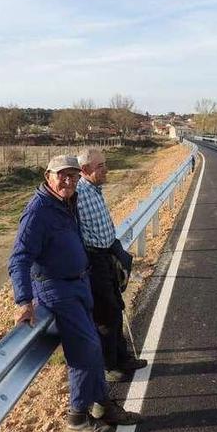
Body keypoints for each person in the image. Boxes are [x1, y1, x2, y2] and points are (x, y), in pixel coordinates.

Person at [8, 155, 141, 432]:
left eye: (73, 176)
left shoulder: (68, 203)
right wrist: (24, 300)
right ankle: (77, 416)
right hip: (56, 289)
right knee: (86, 350)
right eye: (62, 176)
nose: (68, 181)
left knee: (93, 346)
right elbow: (19, 258)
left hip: (80, 283)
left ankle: (103, 404)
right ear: (48, 176)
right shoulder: (38, 211)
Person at [76, 148, 147, 382]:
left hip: (107, 257)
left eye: (104, 164)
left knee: (117, 308)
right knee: (105, 316)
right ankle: (108, 366)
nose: (106, 169)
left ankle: (122, 357)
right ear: (85, 170)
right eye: (101, 166)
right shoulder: (78, 193)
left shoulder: (95, 190)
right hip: (94, 261)